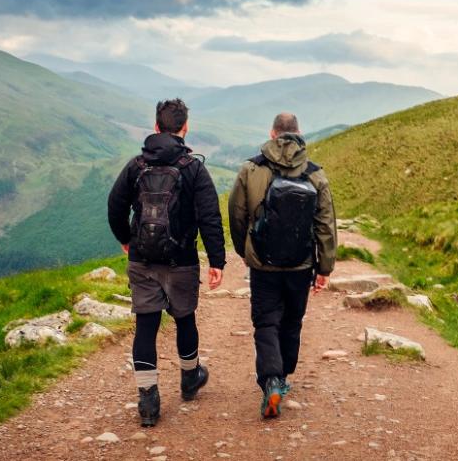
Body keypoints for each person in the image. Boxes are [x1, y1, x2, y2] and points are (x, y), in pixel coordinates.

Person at [107, 99, 226, 427]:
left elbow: (115, 205)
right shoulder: (194, 168)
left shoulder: (136, 165)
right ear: (185, 128)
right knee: (185, 319)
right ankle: (190, 379)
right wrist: (217, 260)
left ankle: (148, 401)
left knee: (146, 324)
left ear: (156, 126)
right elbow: (210, 217)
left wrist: (126, 239)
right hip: (182, 260)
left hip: (142, 259)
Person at [228, 112, 336, 419]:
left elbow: (236, 214)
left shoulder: (251, 168)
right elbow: (326, 224)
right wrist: (324, 267)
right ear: (299, 134)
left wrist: (245, 250)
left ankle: (271, 380)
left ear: (272, 134)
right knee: (292, 322)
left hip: (263, 264)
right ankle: (283, 376)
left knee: (265, 322)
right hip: (300, 265)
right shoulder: (315, 174)